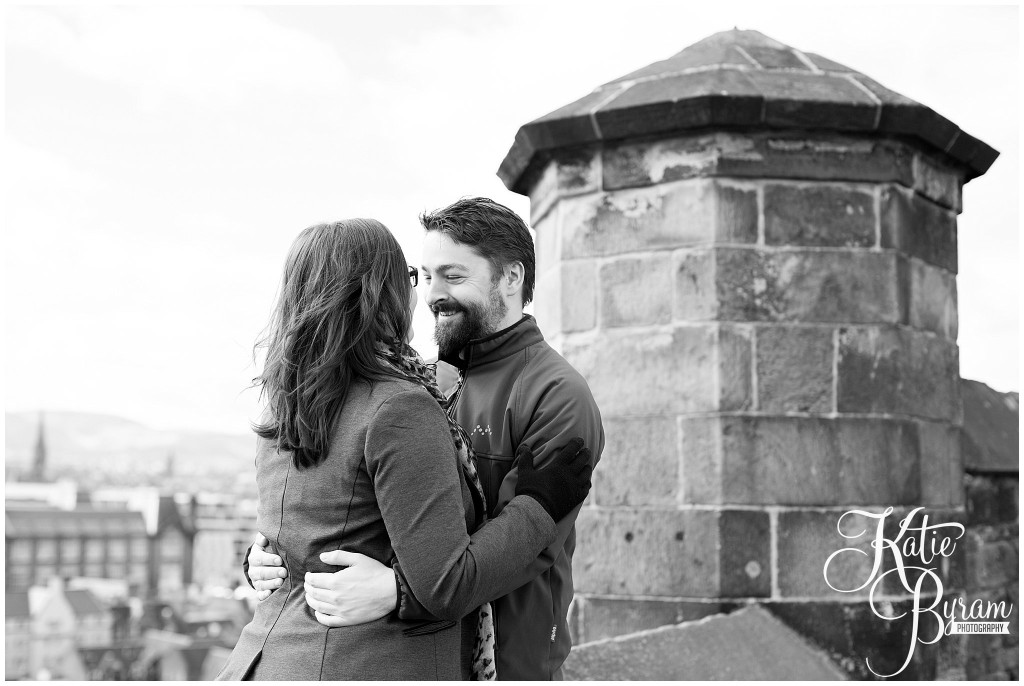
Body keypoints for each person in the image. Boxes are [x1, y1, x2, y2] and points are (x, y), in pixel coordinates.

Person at [217, 218, 592, 681]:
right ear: (383, 292)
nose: (428, 293)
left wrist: (276, 564)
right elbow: (446, 583)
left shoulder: (289, 400)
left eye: (450, 275)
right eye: (417, 276)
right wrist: (540, 505)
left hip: (264, 660)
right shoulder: (402, 404)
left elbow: (314, 526)